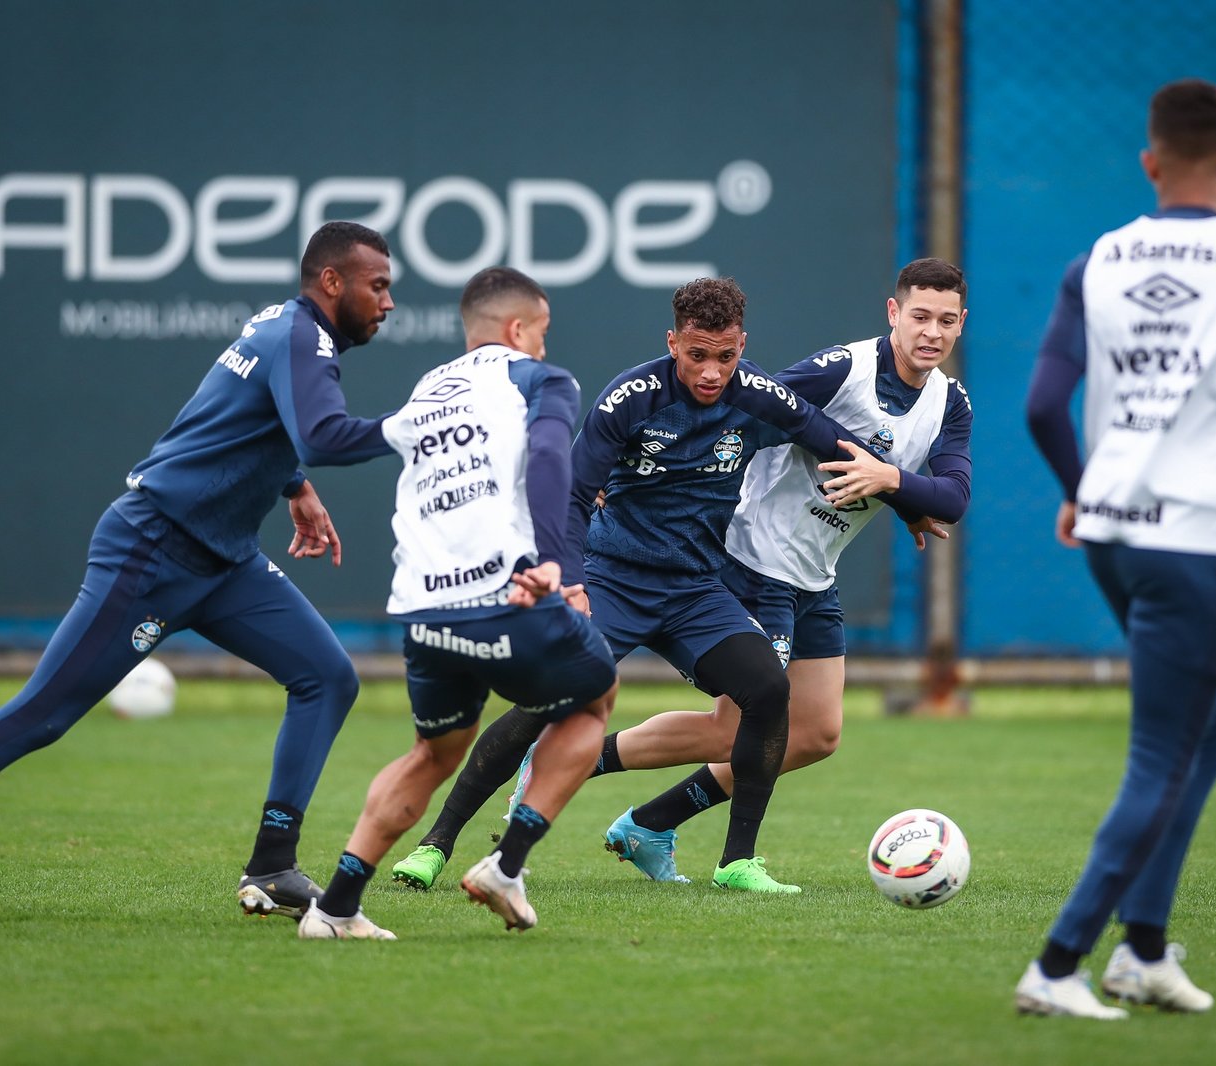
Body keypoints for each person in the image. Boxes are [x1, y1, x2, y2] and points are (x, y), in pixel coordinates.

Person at [0, 221, 399, 926]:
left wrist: (292, 485)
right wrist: (413, 426)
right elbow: (320, 435)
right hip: (153, 550)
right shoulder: (301, 337)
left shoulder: (289, 330)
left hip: (225, 560)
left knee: (328, 677)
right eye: (377, 285)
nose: (387, 301)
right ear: (331, 282)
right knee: (43, 714)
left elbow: (236, 416)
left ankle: (273, 865)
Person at [389, 277, 920, 896]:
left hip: (696, 590)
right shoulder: (631, 398)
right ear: (673, 343)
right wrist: (575, 580)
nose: (712, 372)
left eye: (726, 356)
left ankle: (737, 862)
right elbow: (574, 494)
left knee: (769, 690)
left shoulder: (758, 395)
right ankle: (435, 845)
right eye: (697, 355)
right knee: (546, 699)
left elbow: (833, 444)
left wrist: (905, 501)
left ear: (742, 345)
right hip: (615, 580)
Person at [1013, 79, 1216, 1018]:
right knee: (1163, 754)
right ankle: (1060, 963)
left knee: (1215, 726)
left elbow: (1042, 406)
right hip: (1197, 542)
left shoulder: (1101, 258)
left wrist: (1079, 490)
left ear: (1150, 162)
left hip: (1113, 535)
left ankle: (1144, 951)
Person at [590, 257, 972, 883]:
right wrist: (626, 468)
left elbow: (953, 497)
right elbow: (737, 403)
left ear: (961, 326)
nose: (931, 331)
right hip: (751, 560)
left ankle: (649, 822)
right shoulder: (842, 369)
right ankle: (574, 760)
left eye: (946, 321)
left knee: (816, 734)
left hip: (813, 576)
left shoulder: (949, 403)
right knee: (734, 727)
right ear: (893, 314)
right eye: (920, 316)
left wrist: (893, 484)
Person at [296, 266, 619, 940]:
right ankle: (508, 863)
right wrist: (553, 559)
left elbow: (336, 440)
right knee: (594, 700)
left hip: (424, 613)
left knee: (434, 753)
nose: (545, 348)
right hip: (507, 596)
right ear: (518, 328)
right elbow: (554, 451)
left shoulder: (428, 391)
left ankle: (335, 908)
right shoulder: (539, 380)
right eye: (544, 334)